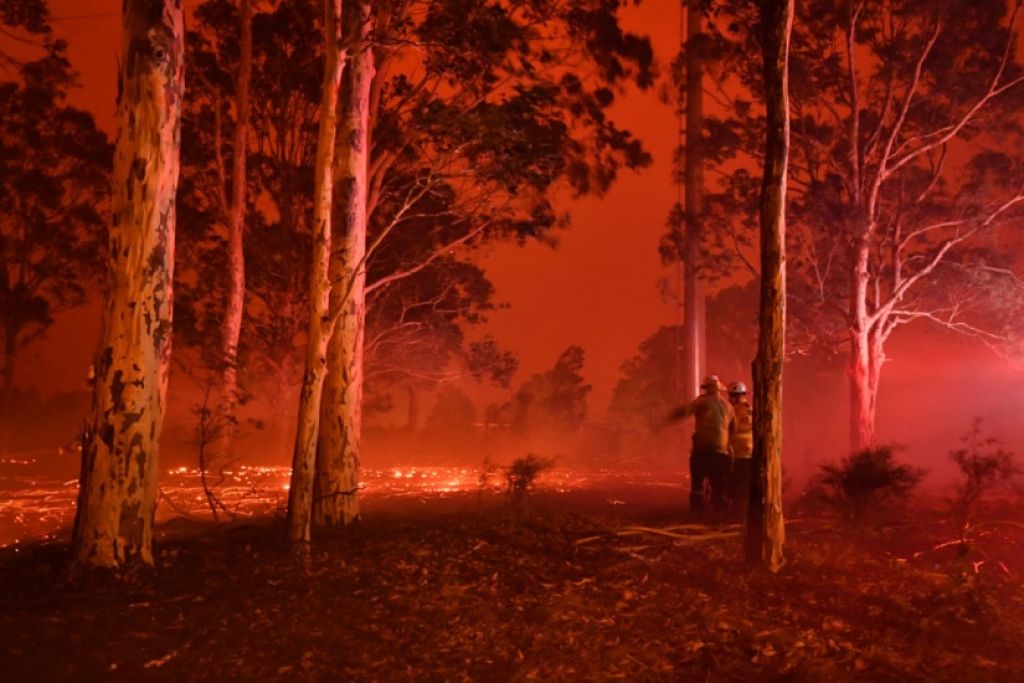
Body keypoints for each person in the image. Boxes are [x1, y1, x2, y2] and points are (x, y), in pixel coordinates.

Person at [666, 375, 736, 514]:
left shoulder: (701, 402)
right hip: (722, 452)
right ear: (719, 389)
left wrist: (669, 417)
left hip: (702, 450)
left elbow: (685, 412)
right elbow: (733, 429)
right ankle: (719, 513)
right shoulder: (729, 406)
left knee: (697, 483)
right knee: (719, 485)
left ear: (707, 389)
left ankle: (697, 511)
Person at [727, 381, 753, 520]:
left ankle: (740, 514)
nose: (730, 398)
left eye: (732, 395)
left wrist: (731, 431)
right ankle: (737, 512)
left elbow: (747, 426)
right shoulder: (735, 408)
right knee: (736, 483)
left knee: (741, 483)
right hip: (737, 452)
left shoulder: (745, 409)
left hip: (744, 453)